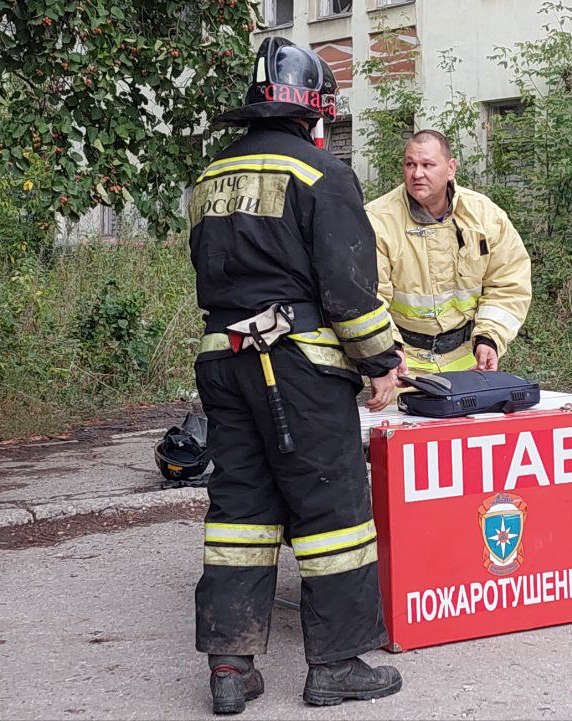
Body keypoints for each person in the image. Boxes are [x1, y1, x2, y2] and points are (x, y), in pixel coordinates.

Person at [187, 37, 403, 715]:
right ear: (314, 115)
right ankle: (335, 665)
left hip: (223, 362)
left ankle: (230, 665)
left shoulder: (209, 177)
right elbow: (349, 291)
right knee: (332, 512)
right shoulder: (321, 174)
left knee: (240, 512)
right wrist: (384, 364)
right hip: (298, 369)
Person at [366, 130, 532, 375]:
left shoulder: (485, 216)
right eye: (410, 164)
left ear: (451, 168)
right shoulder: (377, 220)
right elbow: (369, 296)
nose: (417, 174)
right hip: (402, 366)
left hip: (469, 365)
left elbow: (509, 284)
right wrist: (387, 350)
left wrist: (489, 339)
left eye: (427, 165)